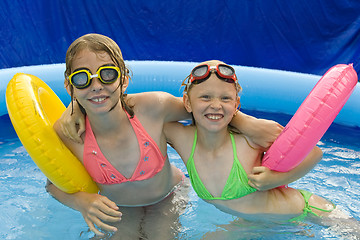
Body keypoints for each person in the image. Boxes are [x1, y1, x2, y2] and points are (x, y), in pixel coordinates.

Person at [46, 34, 282, 238]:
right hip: (121, 208)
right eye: (81, 78)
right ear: (69, 86)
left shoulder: (153, 108)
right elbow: (53, 183)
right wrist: (81, 202)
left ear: (124, 80)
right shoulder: (69, 133)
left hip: (168, 197)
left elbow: (204, 108)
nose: (96, 85)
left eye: (107, 74)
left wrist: (246, 122)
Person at [163, 60, 356, 227]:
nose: (216, 105)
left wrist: (276, 180)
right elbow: (142, 115)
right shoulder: (183, 139)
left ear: (236, 104)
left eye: (225, 98)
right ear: (187, 102)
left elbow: (315, 153)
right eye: (205, 97)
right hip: (256, 224)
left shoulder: (250, 140)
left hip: (309, 214)